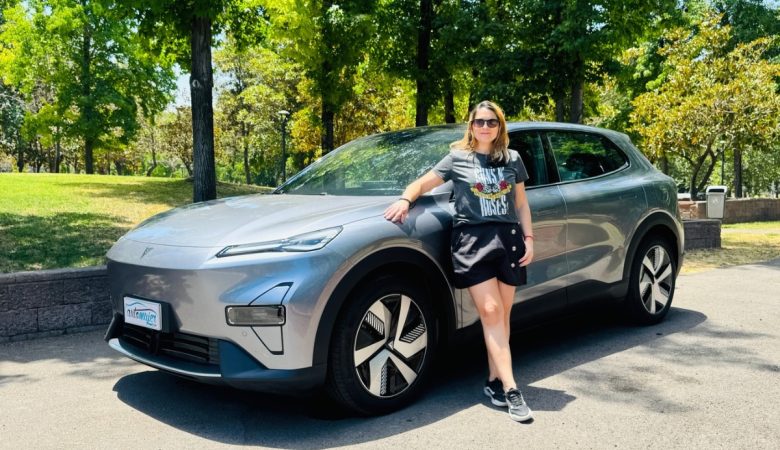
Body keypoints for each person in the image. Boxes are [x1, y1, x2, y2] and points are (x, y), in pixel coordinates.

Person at [384, 100, 535, 422]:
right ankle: (512, 389)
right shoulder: (457, 158)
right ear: (471, 125)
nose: (485, 127)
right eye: (480, 122)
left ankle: (494, 381)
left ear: (500, 126)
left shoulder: (512, 158)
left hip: (508, 240)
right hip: (472, 241)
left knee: (502, 316)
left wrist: (529, 238)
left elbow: (521, 203)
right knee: (491, 311)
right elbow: (423, 183)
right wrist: (405, 199)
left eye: (491, 122)